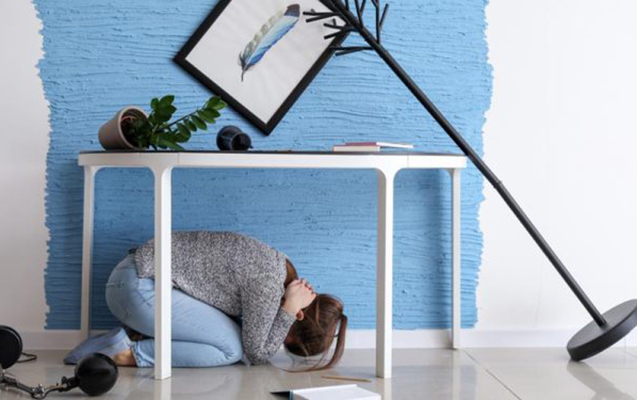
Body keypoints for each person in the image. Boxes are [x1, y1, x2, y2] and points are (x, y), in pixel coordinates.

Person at [64, 231, 347, 370]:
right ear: (298, 316)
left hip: (134, 283)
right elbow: (257, 353)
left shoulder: (276, 270)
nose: (277, 339)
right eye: (285, 338)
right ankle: (129, 353)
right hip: (137, 286)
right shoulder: (269, 284)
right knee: (231, 349)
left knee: (233, 338)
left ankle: (123, 340)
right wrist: (287, 310)